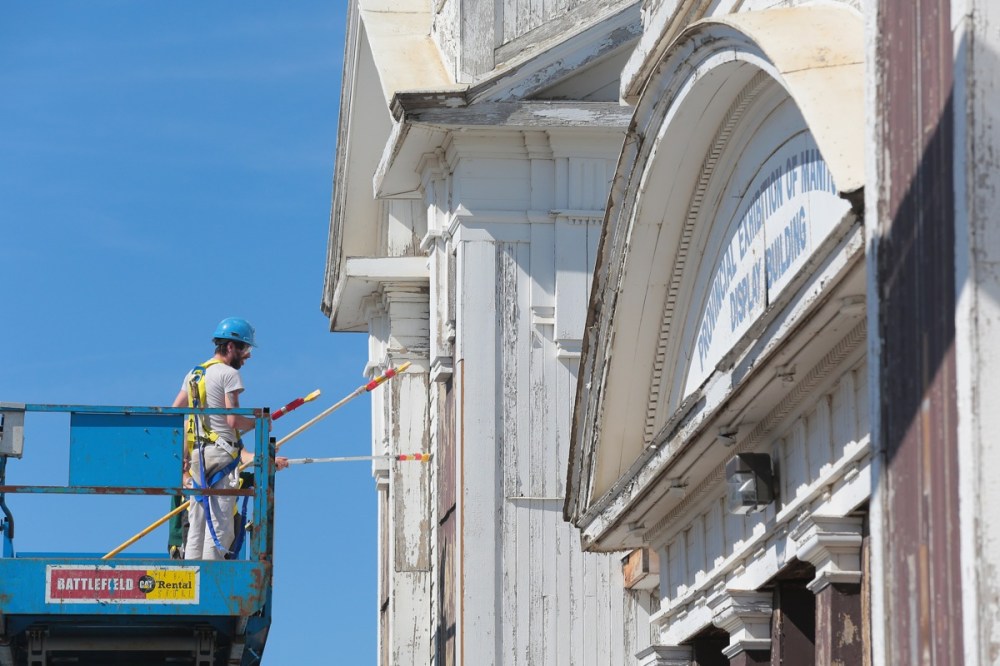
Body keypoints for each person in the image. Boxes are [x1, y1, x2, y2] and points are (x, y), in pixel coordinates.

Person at [171, 317, 281, 560]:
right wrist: (259, 423)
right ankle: (210, 574)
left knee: (198, 522)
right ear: (230, 346)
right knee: (221, 525)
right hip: (222, 455)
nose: (247, 355)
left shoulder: (195, 374)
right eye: (245, 348)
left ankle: (192, 573)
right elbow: (232, 421)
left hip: (198, 455)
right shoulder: (229, 374)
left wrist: (182, 454)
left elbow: (175, 410)